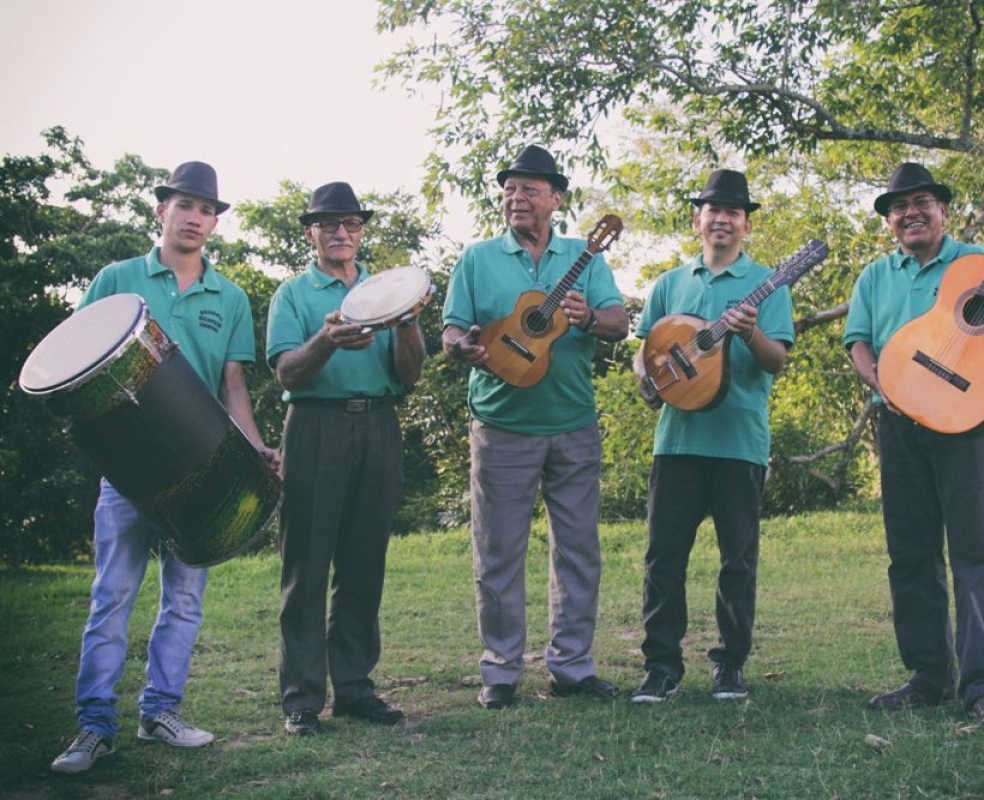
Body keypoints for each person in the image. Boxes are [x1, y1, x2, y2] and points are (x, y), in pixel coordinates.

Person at [51, 162, 279, 774]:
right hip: (127, 474)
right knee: (113, 596)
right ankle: (93, 726)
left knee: (183, 600)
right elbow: (73, 362)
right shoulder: (118, 280)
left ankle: (161, 712)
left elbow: (233, 387)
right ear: (162, 210)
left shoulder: (228, 297)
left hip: (203, 476)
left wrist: (255, 451)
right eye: (186, 205)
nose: (196, 218)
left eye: (207, 210)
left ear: (214, 221)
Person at [843, 162, 984, 730]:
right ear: (889, 220)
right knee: (910, 555)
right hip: (900, 425)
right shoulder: (874, 276)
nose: (909, 212)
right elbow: (858, 343)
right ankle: (926, 676)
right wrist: (880, 380)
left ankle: (982, 687)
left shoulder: (980, 264)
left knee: (974, 554)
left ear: (942, 210)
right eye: (897, 206)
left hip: (969, 423)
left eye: (921, 201)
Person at [442, 145, 629, 709]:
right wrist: (466, 348)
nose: (515, 197)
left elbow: (620, 323)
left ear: (556, 199)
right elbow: (451, 336)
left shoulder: (586, 257)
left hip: (573, 423)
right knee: (498, 550)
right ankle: (500, 670)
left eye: (528, 189)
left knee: (577, 549)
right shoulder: (477, 259)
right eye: (509, 189)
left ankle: (571, 665)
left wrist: (588, 318)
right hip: (501, 425)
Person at [266, 182, 425, 736]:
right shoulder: (294, 293)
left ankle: (355, 688)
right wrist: (327, 340)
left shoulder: (388, 291)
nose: (341, 233)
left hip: (379, 424)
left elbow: (410, 374)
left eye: (351, 224)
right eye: (329, 224)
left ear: (361, 232)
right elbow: (286, 371)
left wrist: (406, 322)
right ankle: (302, 698)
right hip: (315, 426)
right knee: (306, 566)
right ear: (310, 233)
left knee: (364, 564)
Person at [630, 169, 794, 703]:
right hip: (676, 442)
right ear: (698, 219)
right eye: (712, 210)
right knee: (663, 558)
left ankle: (730, 665)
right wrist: (647, 380)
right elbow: (644, 350)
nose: (721, 219)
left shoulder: (768, 281)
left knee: (737, 560)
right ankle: (661, 667)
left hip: (739, 441)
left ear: (746, 224)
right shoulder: (671, 283)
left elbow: (777, 361)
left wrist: (750, 333)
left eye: (733, 212)